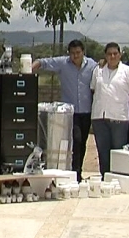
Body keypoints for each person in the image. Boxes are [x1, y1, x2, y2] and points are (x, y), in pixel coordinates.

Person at [32, 40, 98, 182]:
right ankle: (74, 172)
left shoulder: (92, 65)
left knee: (82, 142)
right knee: (75, 140)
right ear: (69, 53)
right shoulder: (63, 63)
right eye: (73, 53)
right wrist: (31, 68)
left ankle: (78, 170)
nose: (75, 56)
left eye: (78, 53)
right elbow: (43, 62)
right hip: (69, 113)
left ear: (83, 52)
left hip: (86, 111)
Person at [90, 42, 129, 177]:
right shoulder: (98, 70)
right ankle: (105, 177)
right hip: (99, 117)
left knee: (118, 151)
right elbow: (93, 89)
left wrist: (122, 103)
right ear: (105, 56)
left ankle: (117, 178)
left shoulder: (128, 72)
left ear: (120, 55)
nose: (112, 56)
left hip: (119, 118)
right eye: (109, 54)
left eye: (115, 53)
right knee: (103, 151)